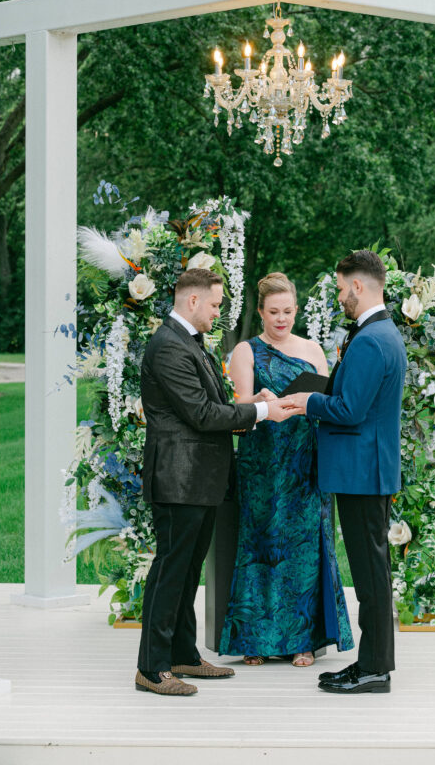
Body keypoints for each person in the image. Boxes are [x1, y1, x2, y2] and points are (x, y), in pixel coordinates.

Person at [135, 267, 297, 697]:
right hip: (178, 479)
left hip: (198, 480)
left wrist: (254, 401)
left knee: (187, 572)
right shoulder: (169, 346)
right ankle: (151, 668)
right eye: (215, 304)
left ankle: (183, 654)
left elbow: (213, 404)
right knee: (171, 572)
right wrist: (263, 413)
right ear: (193, 301)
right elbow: (202, 415)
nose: (218, 312)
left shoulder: (189, 342)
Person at [282, 250, 407, 695]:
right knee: (371, 574)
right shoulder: (377, 333)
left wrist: (306, 402)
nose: (339, 296)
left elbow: (350, 411)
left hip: (362, 472)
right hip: (364, 470)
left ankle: (374, 670)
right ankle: (371, 664)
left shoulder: (372, 340)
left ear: (358, 286)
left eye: (340, 288)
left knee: (371, 578)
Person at [218, 272, 353, 667]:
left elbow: (329, 404)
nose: (281, 319)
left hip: (305, 460)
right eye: (273, 312)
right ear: (260, 312)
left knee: (303, 549)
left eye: (288, 311)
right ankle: (255, 639)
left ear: (296, 310)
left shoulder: (312, 349)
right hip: (262, 462)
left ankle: (303, 641)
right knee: (260, 547)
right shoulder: (246, 351)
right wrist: (258, 399)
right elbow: (239, 408)